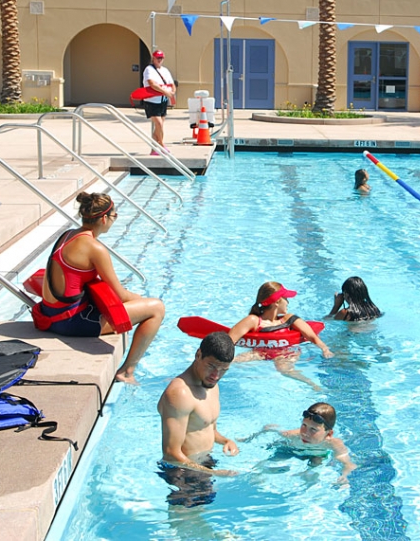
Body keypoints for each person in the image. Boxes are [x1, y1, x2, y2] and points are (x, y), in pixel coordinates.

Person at [38, 192, 164, 384]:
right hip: (70, 323)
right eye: (115, 216)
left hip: (49, 314)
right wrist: (140, 300)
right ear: (104, 218)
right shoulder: (95, 248)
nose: (114, 220)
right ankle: (127, 371)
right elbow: (121, 295)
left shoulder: (68, 235)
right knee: (156, 308)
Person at [157, 332, 239, 507]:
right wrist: (216, 473)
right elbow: (171, 453)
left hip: (203, 464)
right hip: (183, 472)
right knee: (185, 524)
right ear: (198, 355)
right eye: (211, 366)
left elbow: (209, 429)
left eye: (223, 370)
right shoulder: (180, 393)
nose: (216, 375)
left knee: (198, 521)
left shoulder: (211, 386)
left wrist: (226, 440)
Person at [228, 282, 333, 390]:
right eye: (286, 298)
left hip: (287, 353)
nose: (288, 302)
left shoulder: (289, 319)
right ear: (277, 302)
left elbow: (312, 337)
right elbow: (229, 340)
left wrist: (325, 349)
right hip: (260, 353)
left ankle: (312, 385)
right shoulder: (253, 320)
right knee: (231, 361)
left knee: (284, 370)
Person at [261, 402, 356, 484]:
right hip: (293, 450)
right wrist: (250, 438)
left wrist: (344, 476)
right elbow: (270, 429)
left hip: (317, 455)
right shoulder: (293, 436)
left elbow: (348, 464)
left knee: (316, 465)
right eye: (304, 425)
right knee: (272, 462)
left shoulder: (333, 444)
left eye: (313, 430)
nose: (305, 433)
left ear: (329, 433)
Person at [142, 49, 175, 155]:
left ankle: (154, 149)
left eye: (161, 58)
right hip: (152, 101)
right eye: (158, 58)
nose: (159, 60)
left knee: (159, 127)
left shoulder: (165, 70)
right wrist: (165, 91)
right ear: (153, 58)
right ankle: (161, 145)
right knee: (159, 124)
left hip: (163, 101)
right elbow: (152, 84)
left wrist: (172, 93)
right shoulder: (149, 69)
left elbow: (171, 83)